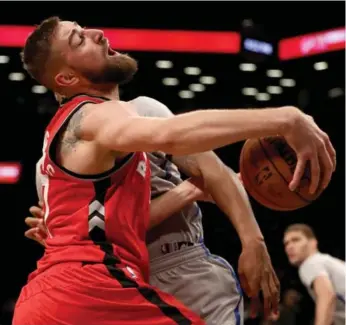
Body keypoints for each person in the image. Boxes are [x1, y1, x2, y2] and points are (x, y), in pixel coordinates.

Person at [13, 16, 335, 325]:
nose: (96, 32)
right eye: (78, 38)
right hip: (97, 288)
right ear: (66, 79)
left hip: (67, 293)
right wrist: (286, 118)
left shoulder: (67, 143)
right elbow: (171, 134)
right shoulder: (95, 118)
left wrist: (250, 238)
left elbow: (210, 171)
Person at [283, 224, 345, 325]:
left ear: (313, 243)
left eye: (296, 240)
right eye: (286, 243)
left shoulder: (310, 263)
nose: (289, 246)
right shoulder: (329, 261)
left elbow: (327, 296)